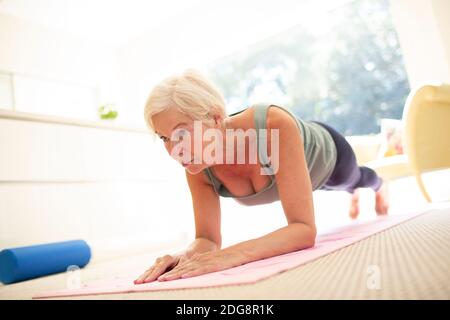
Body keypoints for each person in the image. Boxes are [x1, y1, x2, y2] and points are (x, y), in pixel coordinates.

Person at [134, 69, 389, 284]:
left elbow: (303, 231)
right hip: (299, 175)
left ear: (214, 118)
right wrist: (185, 256)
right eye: (164, 138)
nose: (174, 150)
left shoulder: (272, 126)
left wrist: (232, 255)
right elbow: (207, 239)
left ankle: (380, 186)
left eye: (181, 134)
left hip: (330, 159)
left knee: (354, 180)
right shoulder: (197, 166)